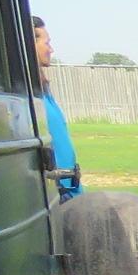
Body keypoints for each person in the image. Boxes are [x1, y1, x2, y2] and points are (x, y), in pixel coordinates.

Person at [31, 17, 81, 201]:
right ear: (30, 44)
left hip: (69, 189)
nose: (50, 49)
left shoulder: (43, 90)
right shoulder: (30, 96)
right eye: (47, 42)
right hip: (57, 194)